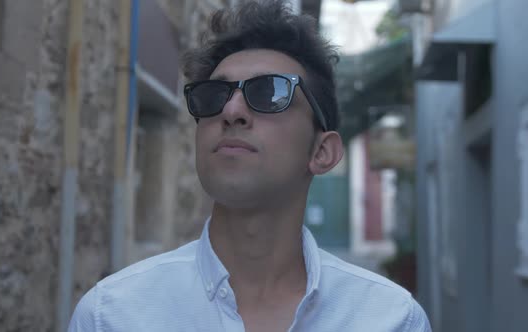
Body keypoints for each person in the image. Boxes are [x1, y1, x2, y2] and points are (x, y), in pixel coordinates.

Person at [68, 1, 431, 331]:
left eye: (270, 92)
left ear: (322, 152)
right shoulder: (111, 316)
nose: (231, 111)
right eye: (213, 95)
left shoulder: (391, 319)